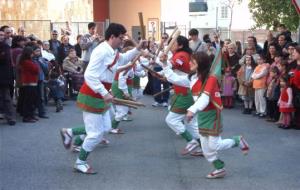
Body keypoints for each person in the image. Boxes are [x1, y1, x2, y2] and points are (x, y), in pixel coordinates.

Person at [59, 23, 144, 174]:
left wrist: (138, 49)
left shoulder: (112, 50)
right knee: (96, 134)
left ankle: (71, 133)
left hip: (101, 93)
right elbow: (89, 75)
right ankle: (80, 162)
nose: (122, 40)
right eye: (121, 37)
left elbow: (123, 59)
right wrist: (104, 93)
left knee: (105, 128)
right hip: (92, 94)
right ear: (112, 37)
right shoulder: (101, 51)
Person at [185, 52, 249, 179]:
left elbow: (205, 97)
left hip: (213, 113)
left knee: (215, 145)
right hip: (202, 115)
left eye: (193, 61)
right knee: (205, 148)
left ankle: (237, 140)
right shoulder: (193, 77)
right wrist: (164, 66)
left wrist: (192, 110)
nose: (190, 63)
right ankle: (219, 168)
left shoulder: (211, 79)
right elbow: (178, 81)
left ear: (201, 63)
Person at [160, 35, 202, 156]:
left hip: (184, 93)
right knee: (191, 124)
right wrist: (163, 70)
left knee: (172, 120)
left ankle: (193, 142)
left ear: (180, 45)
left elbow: (173, 67)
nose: (171, 45)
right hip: (184, 91)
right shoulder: (182, 55)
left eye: (173, 43)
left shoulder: (181, 55)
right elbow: (174, 75)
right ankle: (202, 147)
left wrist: (161, 61)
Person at [18, 47, 39, 122]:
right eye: (31, 53)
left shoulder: (27, 61)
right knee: (29, 101)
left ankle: (31, 115)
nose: (32, 55)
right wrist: (36, 65)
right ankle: (27, 117)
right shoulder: (26, 62)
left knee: (32, 100)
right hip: (29, 82)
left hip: (31, 82)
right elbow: (36, 69)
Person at [0, 29, 16, 125]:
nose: (1, 37)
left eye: (2, 35)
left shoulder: (6, 47)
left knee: (6, 97)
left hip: (4, 77)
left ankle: (10, 117)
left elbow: (6, 60)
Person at [290, 45, 300, 129]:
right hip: (293, 87)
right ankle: (296, 122)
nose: (293, 53)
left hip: (298, 88)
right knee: (296, 106)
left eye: (295, 52)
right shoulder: (294, 64)